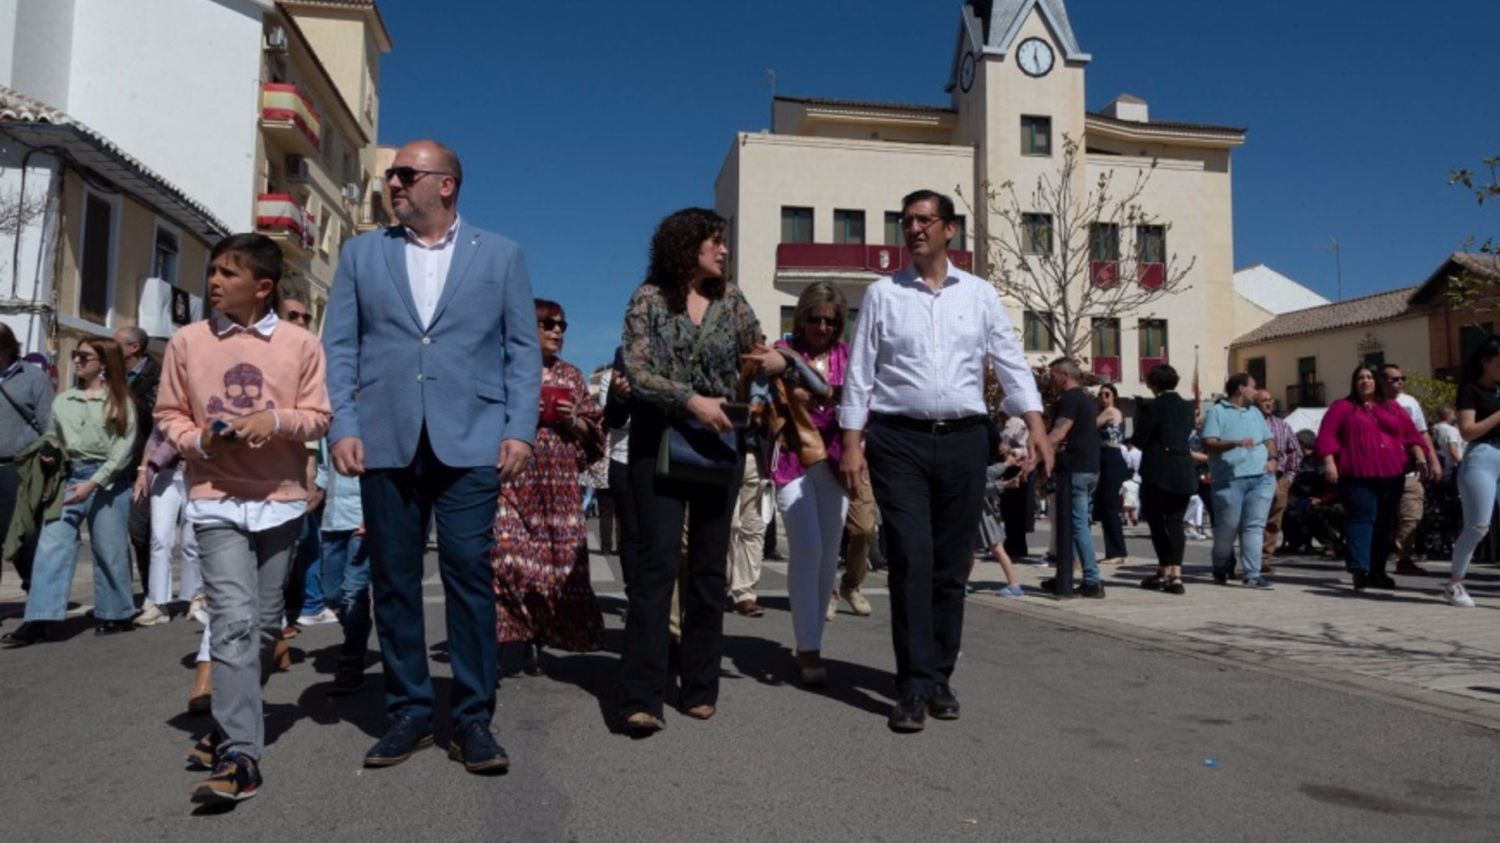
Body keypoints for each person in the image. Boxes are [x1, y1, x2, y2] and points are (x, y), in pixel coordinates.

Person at [323, 139, 540, 774]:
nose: (391, 182)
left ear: (445, 185)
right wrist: (342, 423)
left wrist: (520, 429)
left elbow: (521, 351)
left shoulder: (500, 255)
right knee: (392, 577)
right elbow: (339, 346)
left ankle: (473, 717)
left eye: (404, 173)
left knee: (469, 571)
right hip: (385, 436)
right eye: (392, 174)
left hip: (472, 436)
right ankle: (410, 711)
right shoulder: (362, 254)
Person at [839, 189, 1050, 734]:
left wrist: (1036, 424)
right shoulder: (883, 294)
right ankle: (910, 686)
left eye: (925, 220)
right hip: (899, 441)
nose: (914, 229)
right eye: (906, 220)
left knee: (952, 565)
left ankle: (939, 677)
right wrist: (852, 442)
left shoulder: (979, 295)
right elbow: (860, 372)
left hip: (963, 441)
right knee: (911, 556)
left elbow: (1009, 361)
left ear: (949, 230)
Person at [153, 233, 330, 802]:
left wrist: (275, 422)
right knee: (230, 620)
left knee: (264, 626)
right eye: (212, 272)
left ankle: (229, 719)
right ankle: (240, 754)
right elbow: (168, 415)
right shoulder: (188, 341)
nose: (213, 282)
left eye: (228, 274)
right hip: (215, 496)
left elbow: (319, 416)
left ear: (263, 287)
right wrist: (198, 438)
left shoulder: (301, 344)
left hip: (279, 498)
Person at [616, 207, 766, 734]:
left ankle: (700, 687)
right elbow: (636, 368)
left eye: (725, 243)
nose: (724, 251)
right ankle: (641, 695)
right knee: (655, 570)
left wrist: (771, 362)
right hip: (658, 439)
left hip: (719, 442)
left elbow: (757, 348)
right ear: (686, 245)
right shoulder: (649, 298)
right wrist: (689, 400)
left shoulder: (734, 300)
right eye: (715, 242)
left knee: (707, 571)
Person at [492, 299, 605, 672]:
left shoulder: (571, 375)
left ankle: (539, 636)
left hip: (558, 483)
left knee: (556, 565)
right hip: (512, 476)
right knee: (508, 555)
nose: (557, 331)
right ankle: (515, 635)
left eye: (562, 326)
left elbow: (595, 432)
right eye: (549, 324)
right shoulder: (505, 370)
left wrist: (574, 421)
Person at [2, 338, 136, 645]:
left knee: (109, 549)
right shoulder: (64, 400)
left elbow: (122, 452)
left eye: (83, 356)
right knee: (51, 545)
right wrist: (51, 449)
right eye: (75, 355)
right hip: (69, 477)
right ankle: (39, 619)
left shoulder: (120, 402)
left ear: (103, 363)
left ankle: (115, 612)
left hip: (109, 482)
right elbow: (53, 434)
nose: (76, 360)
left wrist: (93, 483)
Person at [762, 281, 850, 685]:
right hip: (792, 460)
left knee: (829, 557)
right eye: (814, 318)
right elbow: (764, 394)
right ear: (802, 316)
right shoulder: (782, 352)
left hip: (834, 462)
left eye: (830, 321)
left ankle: (813, 639)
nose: (821, 327)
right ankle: (808, 648)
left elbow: (858, 401)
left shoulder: (847, 357)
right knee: (807, 549)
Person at [1316, 365, 1433, 591]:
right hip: (1356, 474)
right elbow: (1326, 436)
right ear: (1353, 382)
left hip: (1392, 474)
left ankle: (1378, 571)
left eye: (1369, 377)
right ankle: (1360, 570)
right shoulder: (1342, 407)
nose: (1365, 381)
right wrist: (1330, 463)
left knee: (1384, 523)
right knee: (1361, 519)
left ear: (1376, 382)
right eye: (1360, 377)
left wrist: (1421, 458)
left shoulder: (1392, 407)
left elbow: (1412, 435)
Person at [1201, 373, 1277, 589]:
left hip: (1261, 478)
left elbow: (1268, 439)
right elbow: (1209, 442)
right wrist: (1234, 444)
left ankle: (1252, 575)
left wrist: (1273, 460)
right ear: (1240, 389)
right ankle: (1220, 564)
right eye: (1253, 387)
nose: (1256, 391)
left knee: (1254, 526)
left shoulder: (1255, 412)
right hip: (1229, 480)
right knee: (1228, 528)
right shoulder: (1216, 412)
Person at [1443, 337, 1500, 607]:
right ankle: (1455, 582)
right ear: (1486, 361)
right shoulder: (1470, 390)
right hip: (1481, 457)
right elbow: (1467, 430)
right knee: (1478, 525)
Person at [1040, 358, 1104, 597]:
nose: (1051, 380)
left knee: (1077, 525)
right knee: (1076, 523)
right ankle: (1064, 575)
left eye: (1053, 375)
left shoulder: (1069, 399)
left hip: (1076, 469)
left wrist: (1035, 455)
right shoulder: (1085, 399)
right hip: (1088, 467)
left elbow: (1058, 433)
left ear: (1064, 375)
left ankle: (1091, 579)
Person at [1133, 364, 1196, 595]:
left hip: (1158, 471)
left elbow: (1140, 439)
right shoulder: (1187, 407)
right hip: (1183, 469)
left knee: (1157, 523)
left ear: (1154, 383)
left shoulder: (1153, 407)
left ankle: (1165, 569)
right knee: (1176, 523)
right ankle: (1176, 574)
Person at [0, 323, 53, 592]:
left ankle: (37, 592)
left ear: (7, 349)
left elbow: (49, 424)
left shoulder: (33, 377)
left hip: (18, 469)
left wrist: (46, 457)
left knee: (21, 535)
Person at [1379, 364, 1442, 575]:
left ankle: (1403, 557)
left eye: (1401, 378)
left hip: (1409, 470)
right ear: (1382, 381)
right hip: (1381, 471)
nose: (1400, 383)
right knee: (1384, 516)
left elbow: (1421, 433)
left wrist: (1431, 460)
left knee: (1412, 515)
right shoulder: (1370, 404)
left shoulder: (1410, 403)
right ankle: (1377, 558)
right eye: (1394, 379)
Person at [115, 325, 160, 593]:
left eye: (116, 344)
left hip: (142, 464)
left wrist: (119, 394)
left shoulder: (157, 377)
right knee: (112, 536)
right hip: (112, 464)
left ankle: (150, 591)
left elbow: (152, 417)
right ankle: (118, 595)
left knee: (140, 533)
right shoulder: (110, 374)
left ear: (133, 349)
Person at [1256, 390, 1301, 574]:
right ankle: (1252, 558)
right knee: (1255, 520)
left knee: (1274, 521)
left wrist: (1289, 478)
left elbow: (1295, 452)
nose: (1268, 403)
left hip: (1278, 478)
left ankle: (1264, 560)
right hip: (1255, 477)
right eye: (1264, 401)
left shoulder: (1282, 426)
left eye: (1270, 400)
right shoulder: (1251, 425)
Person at [727, 451, 769, 617]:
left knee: (754, 529)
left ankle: (745, 594)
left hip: (758, 454)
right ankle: (717, 585)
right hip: (727, 451)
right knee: (729, 526)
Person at [1094, 383, 1128, 566]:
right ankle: (1112, 551)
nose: (1103, 398)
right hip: (1106, 457)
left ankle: (1117, 552)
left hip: (1112, 457)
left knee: (1110, 504)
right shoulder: (1106, 412)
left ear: (1114, 396)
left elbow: (1091, 425)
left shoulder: (1110, 412)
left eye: (1107, 394)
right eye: (1100, 395)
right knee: (1106, 505)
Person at [1433, 405, 1464, 474]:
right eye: (1453, 415)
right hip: (1454, 466)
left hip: (1443, 466)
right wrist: (1461, 464)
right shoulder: (1451, 430)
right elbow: (1453, 450)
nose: (1454, 417)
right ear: (1448, 416)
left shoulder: (1435, 429)